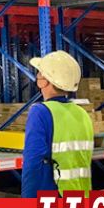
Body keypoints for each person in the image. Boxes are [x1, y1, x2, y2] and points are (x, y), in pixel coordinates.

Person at [21, 50, 93, 199]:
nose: (37, 77)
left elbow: (33, 162)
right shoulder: (82, 114)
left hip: (55, 196)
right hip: (82, 196)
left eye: (40, 73)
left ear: (45, 81)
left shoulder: (40, 112)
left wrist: (28, 204)